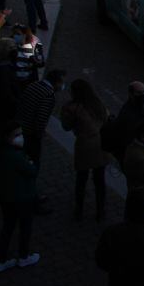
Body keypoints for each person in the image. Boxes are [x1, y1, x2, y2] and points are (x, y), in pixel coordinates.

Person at [0, 121, 40, 272]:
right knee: (25, 227)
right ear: (8, 137)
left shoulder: (0, 152)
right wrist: (31, 162)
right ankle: (24, 256)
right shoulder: (16, 156)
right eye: (17, 135)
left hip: (5, 197)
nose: (21, 137)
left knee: (8, 226)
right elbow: (32, 171)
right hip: (22, 198)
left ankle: (1, 259)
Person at [60, 78, 109, 222]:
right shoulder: (97, 104)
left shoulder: (73, 108)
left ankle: (79, 209)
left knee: (81, 179)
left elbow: (66, 126)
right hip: (100, 144)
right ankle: (100, 211)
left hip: (85, 145)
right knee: (100, 180)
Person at [17, 67, 66, 167]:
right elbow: (41, 119)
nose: (62, 85)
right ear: (56, 82)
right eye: (61, 82)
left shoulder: (34, 85)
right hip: (30, 132)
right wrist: (39, 134)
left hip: (20, 124)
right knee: (33, 160)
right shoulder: (48, 95)